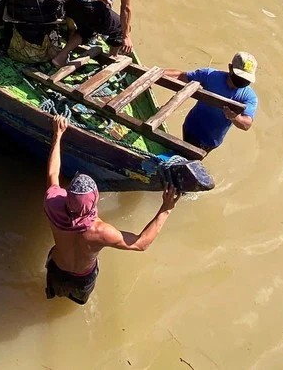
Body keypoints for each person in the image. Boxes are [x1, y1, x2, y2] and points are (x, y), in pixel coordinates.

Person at [43, 115, 180, 305]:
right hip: (83, 277)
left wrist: (58, 135)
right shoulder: (100, 232)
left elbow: (52, 174)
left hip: (57, 269)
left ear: (68, 195)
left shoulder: (53, 204)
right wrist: (166, 208)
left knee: (52, 297)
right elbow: (141, 244)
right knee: (77, 302)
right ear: (94, 201)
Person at [162, 53, 258, 152]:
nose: (242, 81)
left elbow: (247, 124)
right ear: (230, 68)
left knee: (190, 158)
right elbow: (181, 76)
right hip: (190, 127)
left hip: (210, 141)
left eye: (246, 79)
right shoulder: (210, 76)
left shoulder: (249, 97)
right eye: (240, 76)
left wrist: (234, 117)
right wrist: (155, 73)